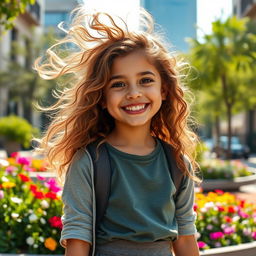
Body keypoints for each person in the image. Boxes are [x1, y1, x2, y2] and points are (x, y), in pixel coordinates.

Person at [34, 5, 200, 256]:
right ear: (102, 97)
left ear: (164, 90)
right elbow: (78, 240)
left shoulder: (177, 163)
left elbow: (186, 240)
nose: (134, 93)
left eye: (146, 80)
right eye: (119, 84)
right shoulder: (89, 161)